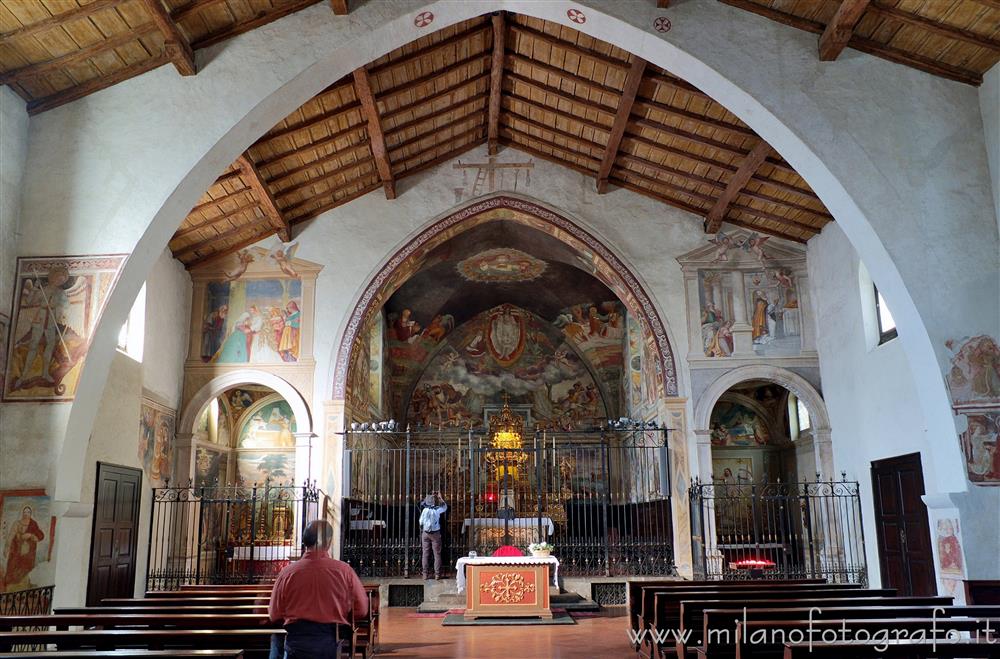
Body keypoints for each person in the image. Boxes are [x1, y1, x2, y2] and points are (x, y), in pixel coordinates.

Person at [269, 520, 368, 659]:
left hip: (296, 645)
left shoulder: (287, 573)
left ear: (304, 541)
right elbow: (362, 609)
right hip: (330, 642)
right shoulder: (344, 571)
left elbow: (274, 614)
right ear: (328, 542)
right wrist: (341, 613)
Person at [419, 492, 447, 580]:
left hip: (426, 533)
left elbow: (420, 522)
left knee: (425, 554)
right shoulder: (437, 510)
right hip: (435, 534)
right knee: (437, 554)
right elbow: (445, 507)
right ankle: (437, 574)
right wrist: (440, 498)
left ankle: (425, 574)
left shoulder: (424, 510)